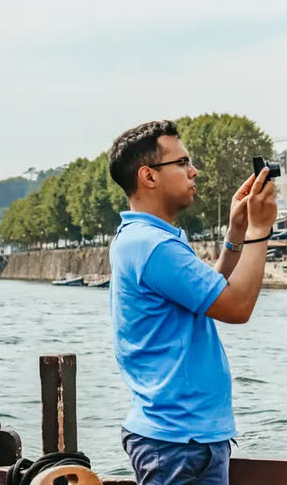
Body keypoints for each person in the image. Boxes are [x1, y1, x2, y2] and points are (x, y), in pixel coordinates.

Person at [107, 120, 277, 485]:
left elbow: (208, 293)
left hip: (183, 438)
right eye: (182, 162)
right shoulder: (154, 246)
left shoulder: (145, 239)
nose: (193, 171)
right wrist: (261, 231)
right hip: (176, 442)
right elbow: (237, 307)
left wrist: (236, 232)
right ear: (148, 176)